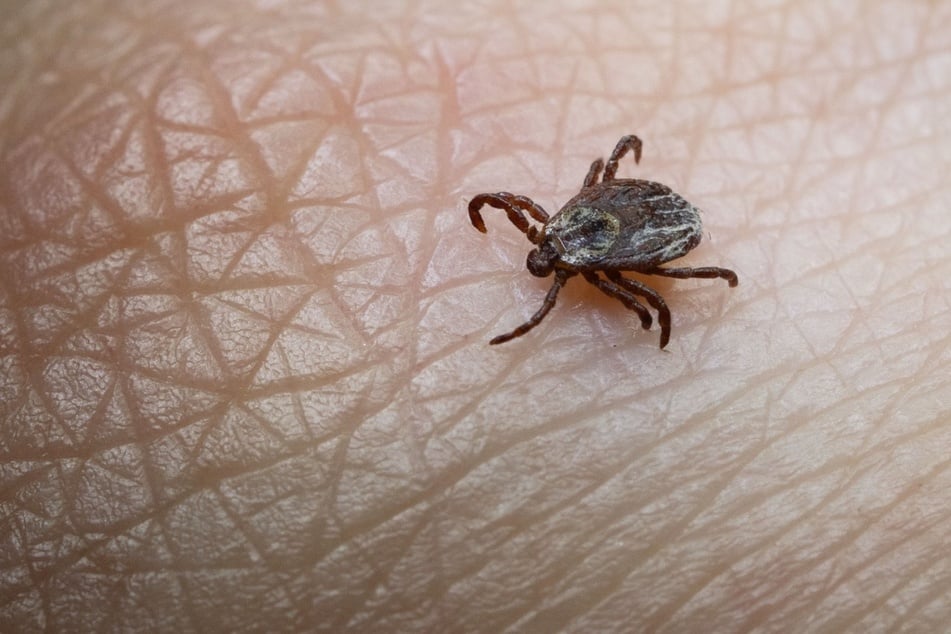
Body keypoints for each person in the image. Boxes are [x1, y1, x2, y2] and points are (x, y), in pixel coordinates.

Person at [2, 1, 948, 630]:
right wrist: (579, 231)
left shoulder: (586, 261)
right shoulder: (580, 242)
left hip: (641, 225)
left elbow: (629, 269)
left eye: (542, 251)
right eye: (542, 250)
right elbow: (605, 193)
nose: (541, 260)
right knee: (633, 253)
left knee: (654, 277)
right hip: (634, 221)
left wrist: (672, 286)